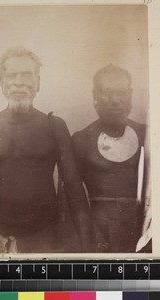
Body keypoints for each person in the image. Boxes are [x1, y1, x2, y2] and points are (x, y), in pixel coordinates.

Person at [0, 46, 90, 253]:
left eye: (26, 75)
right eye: (11, 75)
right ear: (2, 83)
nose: (19, 82)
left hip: (45, 240)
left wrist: (89, 249)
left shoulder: (55, 127)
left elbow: (75, 190)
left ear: (37, 83)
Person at [72, 64, 149, 253]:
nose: (115, 100)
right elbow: (69, 198)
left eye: (122, 92)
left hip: (143, 230)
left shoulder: (146, 133)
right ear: (95, 96)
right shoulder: (81, 139)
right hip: (99, 235)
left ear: (130, 94)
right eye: (107, 93)